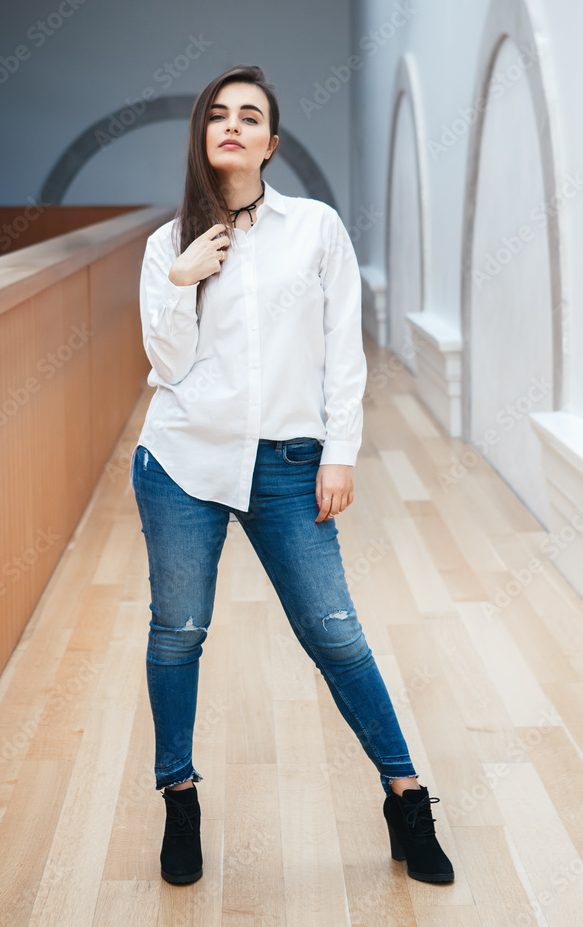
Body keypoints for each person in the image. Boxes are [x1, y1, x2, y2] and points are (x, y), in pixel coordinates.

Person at [129, 64, 454, 888]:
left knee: (333, 632)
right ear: (202, 136)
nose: (232, 125)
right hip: (181, 462)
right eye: (218, 115)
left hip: (288, 464)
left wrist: (339, 450)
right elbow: (165, 365)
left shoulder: (315, 229)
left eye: (250, 117)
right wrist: (180, 277)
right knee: (179, 632)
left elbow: (343, 351)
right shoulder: (166, 245)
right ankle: (180, 795)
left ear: (271, 144)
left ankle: (405, 795)